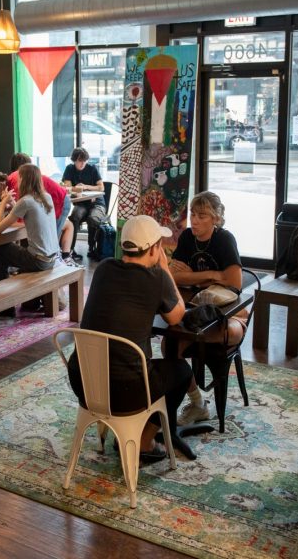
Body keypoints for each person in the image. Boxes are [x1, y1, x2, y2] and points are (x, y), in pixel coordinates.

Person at [67, 215, 190, 461]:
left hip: (83, 381)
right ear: (155, 248)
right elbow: (177, 316)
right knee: (181, 372)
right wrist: (165, 269)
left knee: (136, 363)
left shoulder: (103, 269)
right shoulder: (157, 278)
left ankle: (118, 431)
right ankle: (144, 443)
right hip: (126, 392)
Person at [168, 191, 248, 425]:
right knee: (168, 346)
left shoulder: (224, 240)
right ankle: (197, 402)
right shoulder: (185, 239)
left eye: (202, 215)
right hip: (194, 311)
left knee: (230, 332)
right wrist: (212, 275)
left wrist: (192, 277)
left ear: (215, 218)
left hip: (226, 312)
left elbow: (234, 283)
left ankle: (199, 400)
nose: (194, 220)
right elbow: (174, 277)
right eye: (193, 214)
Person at [0, 164, 59, 296]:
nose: (18, 180)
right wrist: (12, 204)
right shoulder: (46, 197)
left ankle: (1, 302)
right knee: (18, 249)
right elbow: (25, 213)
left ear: (24, 179)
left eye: (19, 177)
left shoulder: (26, 201)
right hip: (51, 258)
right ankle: (25, 300)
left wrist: (3, 203)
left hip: (38, 261)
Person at [6, 153, 75, 265]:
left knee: (50, 238)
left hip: (61, 200)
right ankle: (51, 261)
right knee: (44, 236)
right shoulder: (27, 175)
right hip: (55, 198)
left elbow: (21, 212)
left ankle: (57, 262)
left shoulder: (15, 178)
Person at [62, 147, 106, 261]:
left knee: (93, 219)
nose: (82, 164)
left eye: (84, 161)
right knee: (74, 217)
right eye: (79, 161)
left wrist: (85, 187)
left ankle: (92, 248)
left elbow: (101, 187)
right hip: (81, 203)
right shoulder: (69, 169)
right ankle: (70, 250)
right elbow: (67, 187)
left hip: (97, 203)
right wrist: (76, 188)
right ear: (74, 160)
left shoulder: (92, 169)